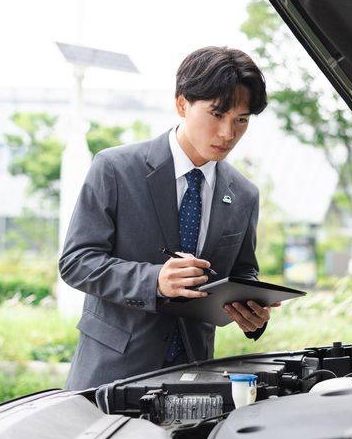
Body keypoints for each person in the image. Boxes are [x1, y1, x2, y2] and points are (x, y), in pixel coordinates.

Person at [59, 46, 275, 390]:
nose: (228, 134)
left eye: (241, 120)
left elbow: (242, 271)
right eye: (217, 114)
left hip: (195, 374)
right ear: (182, 104)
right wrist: (154, 280)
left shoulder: (245, 194)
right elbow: (76, 262)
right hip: (112, 373)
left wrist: (250, 310)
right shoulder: (115, 169)